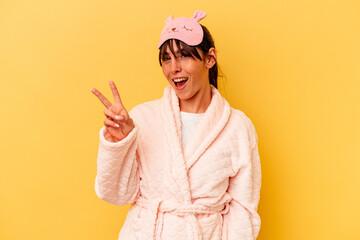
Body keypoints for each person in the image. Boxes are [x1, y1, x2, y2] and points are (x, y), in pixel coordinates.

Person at [91, 10, 261, 240]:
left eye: (184, 56)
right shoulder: (142, 118)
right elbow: (114, 194)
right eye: (166, 58)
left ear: (210, 58)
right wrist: (119, 144)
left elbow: (243, 212)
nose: (174, 68)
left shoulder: (237, 127)